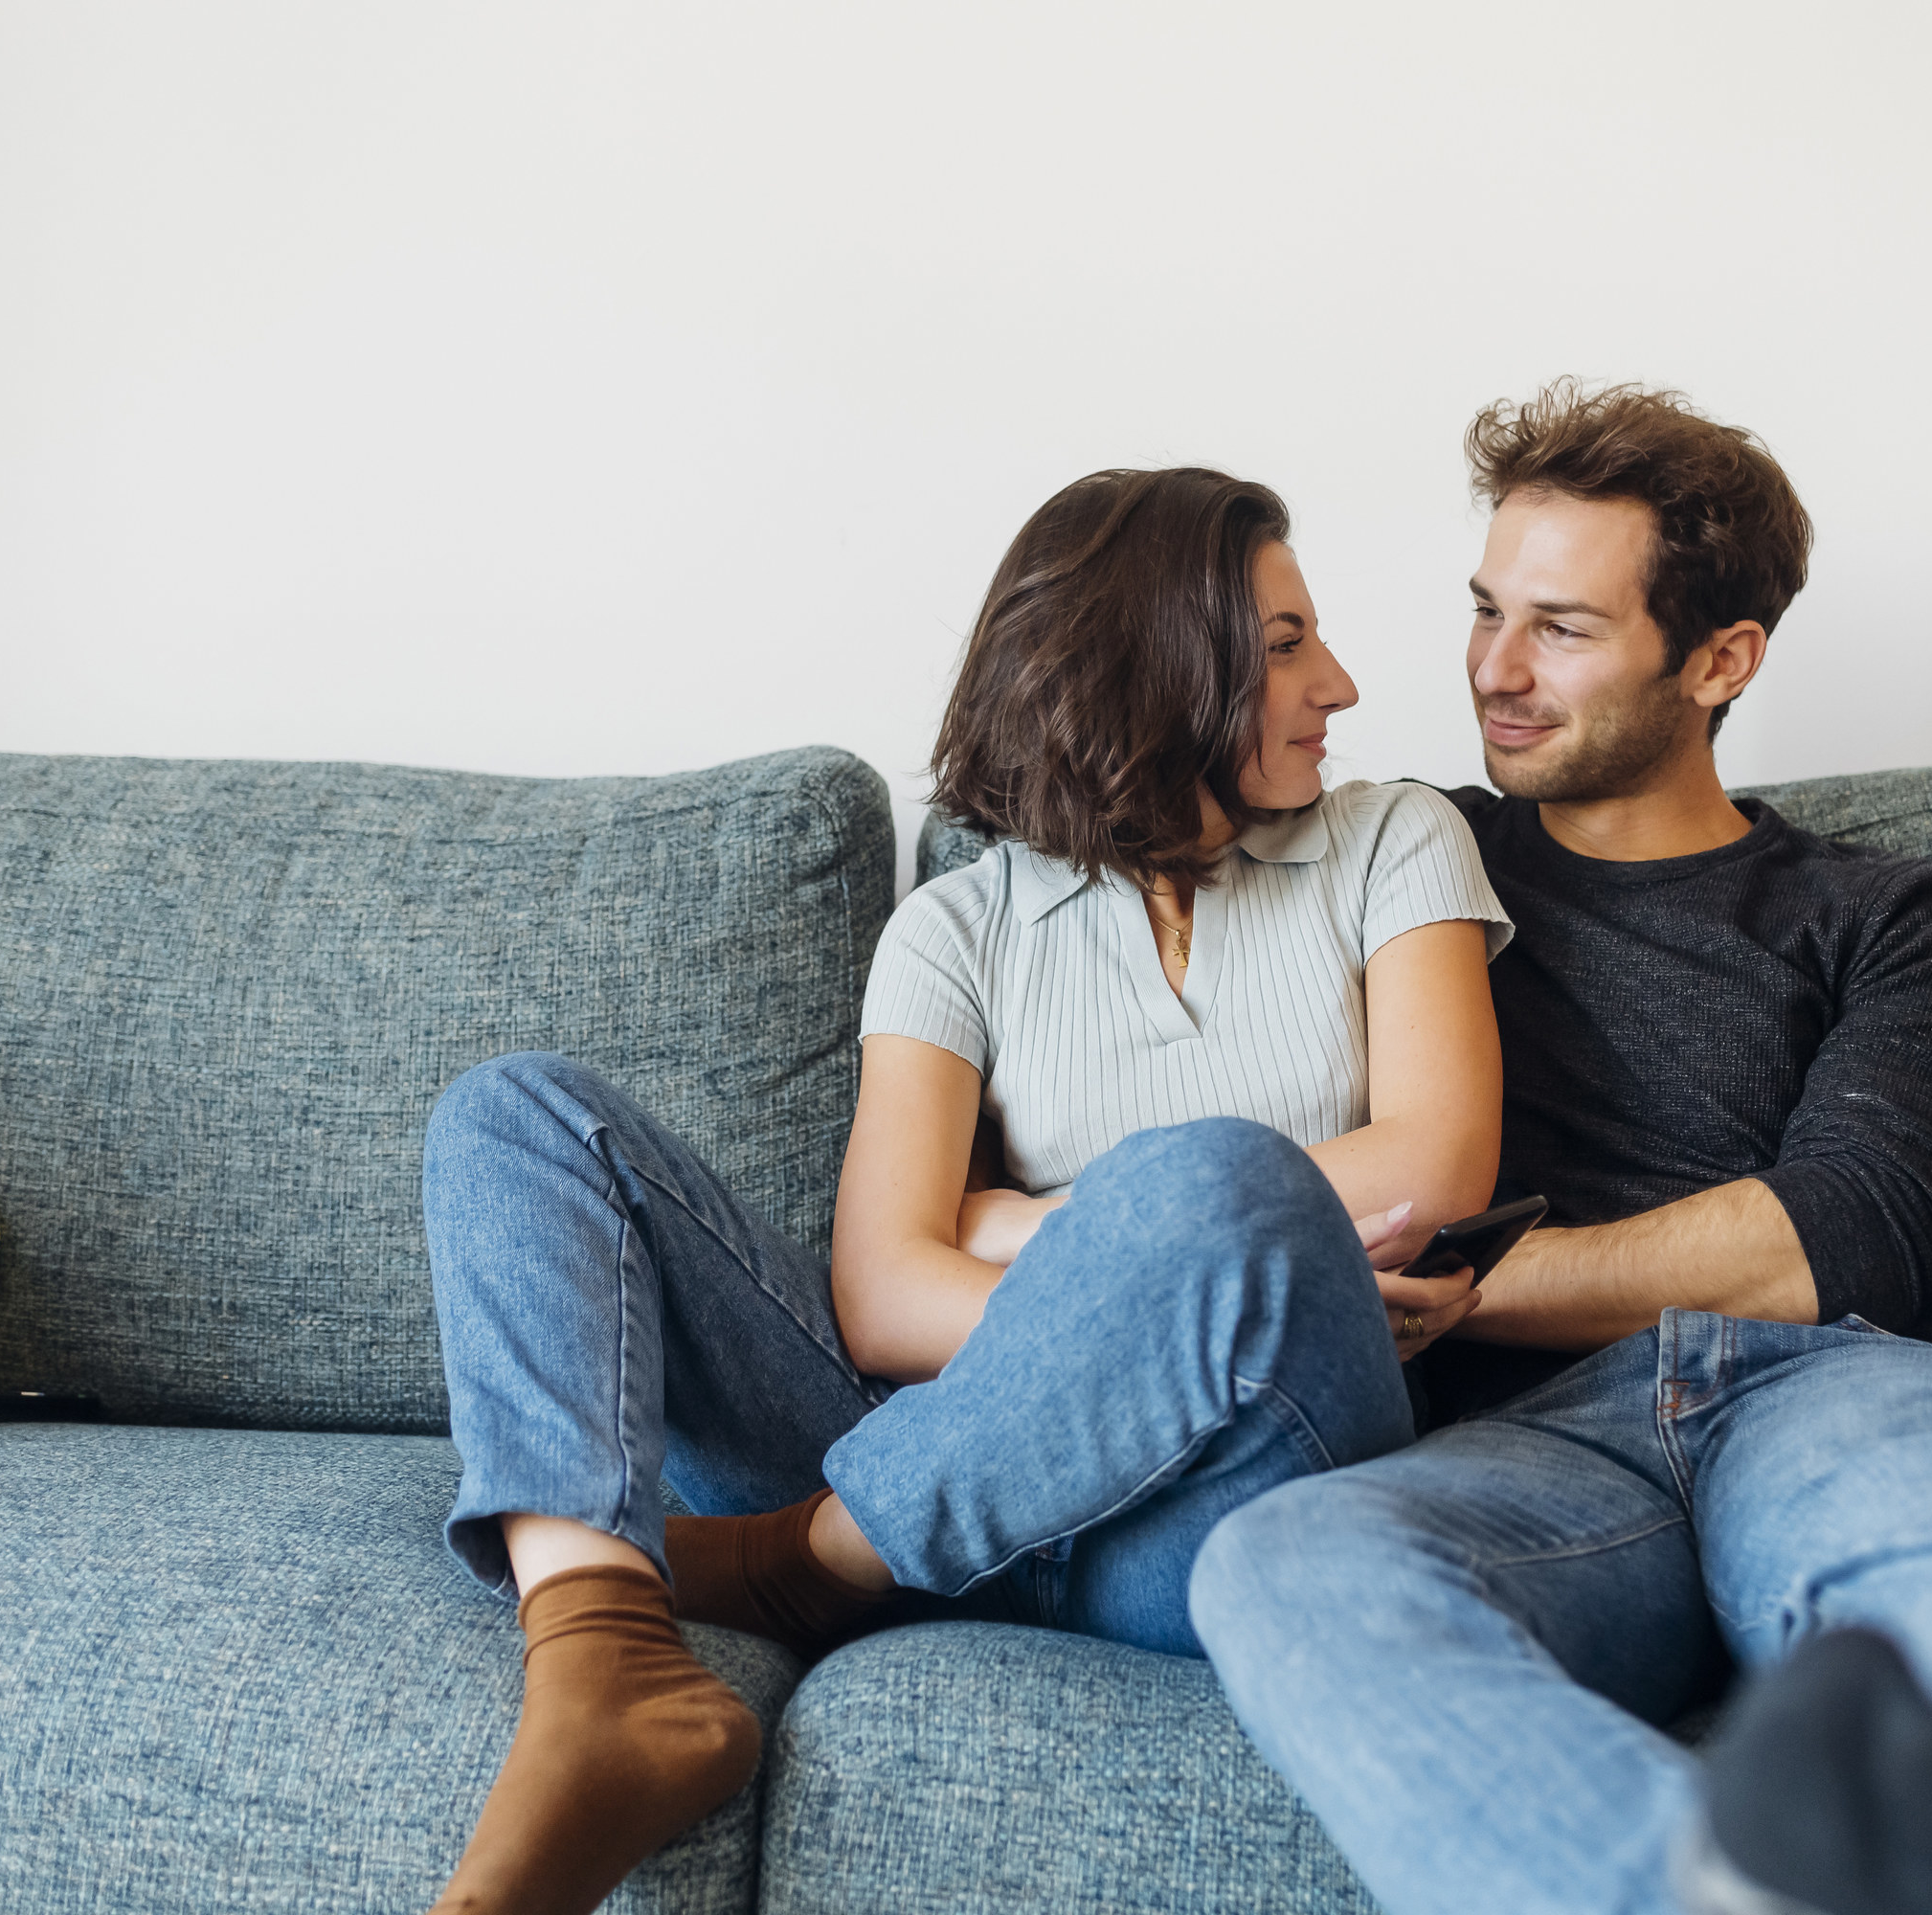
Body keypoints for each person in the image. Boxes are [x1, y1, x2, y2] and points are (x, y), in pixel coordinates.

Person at [418, 465, 1515, 1915]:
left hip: (1208, 1510)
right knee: (514, 1115)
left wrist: (1041, 1224)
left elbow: (1436, 1160)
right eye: (1287, 643)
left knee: (1225, 1181)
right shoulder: (959, 927)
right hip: (932, 1435)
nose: (1344, 683)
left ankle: (808, 1564)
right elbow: (881, 1299)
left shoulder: (1395, 841)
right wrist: (1156, 1266)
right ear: (1157, 662)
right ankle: (603, 1657)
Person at [1187, 383, 1932, 1915]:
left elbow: (1840, 1242)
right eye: (1486, 610)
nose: (1493, 673)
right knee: (1278, 1564)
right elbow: (1117, 803)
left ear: (1721, 660)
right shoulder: (1392, 861)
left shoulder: (1893, 917)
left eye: (1560, 629)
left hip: (1840, 1391)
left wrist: (1475, 1286)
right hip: (1535, 1461)